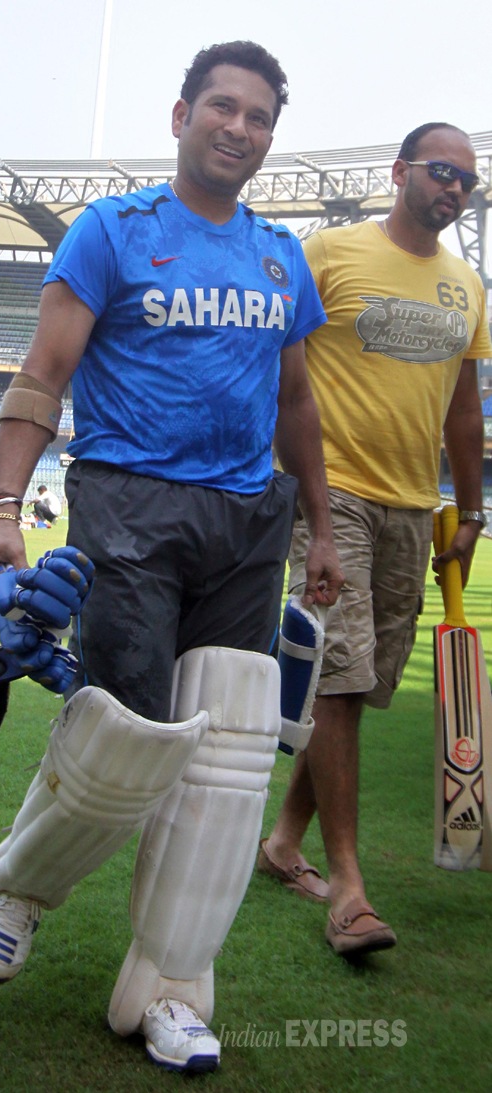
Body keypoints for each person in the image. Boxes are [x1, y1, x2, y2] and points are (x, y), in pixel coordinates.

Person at [0, 41, 342, 1073]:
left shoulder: (280, 256)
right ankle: (21, 885)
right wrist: (4, 504)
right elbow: (44, 371)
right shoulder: (112, 230)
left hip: (245, 519)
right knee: (128, 736)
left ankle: (171, 986)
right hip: (128, 502)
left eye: (259, 116)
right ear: (179, 117)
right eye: (222, 107)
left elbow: (297, 400)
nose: (240, 128)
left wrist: (316, 520)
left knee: (224, 759)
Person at [258, 122, 492, 957]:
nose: (455, 188)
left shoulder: (468, 285)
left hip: (412, 508)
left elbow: (465, 411)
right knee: (340, 674)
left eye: (466, 180)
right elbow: (276, 368)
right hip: (332, 495)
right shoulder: (328, 252)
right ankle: (349, 886)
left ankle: (283, 841)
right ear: (400, 173)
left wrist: (469, 514)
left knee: (358, 684)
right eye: (440, 171)